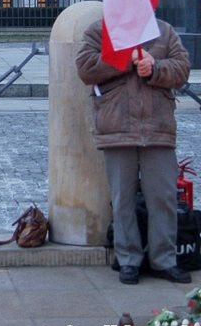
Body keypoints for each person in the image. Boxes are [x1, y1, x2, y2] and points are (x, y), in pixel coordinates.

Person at [76, 17, 192, 285]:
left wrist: (155, 68)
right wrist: (127, 58)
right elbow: (86, 68)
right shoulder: (99, 30)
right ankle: (128, 259)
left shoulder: (165, 30)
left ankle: (164, 259)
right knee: (122, 199)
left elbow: (182, 67)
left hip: (158, 129)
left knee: (163, 198)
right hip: (117, 126)